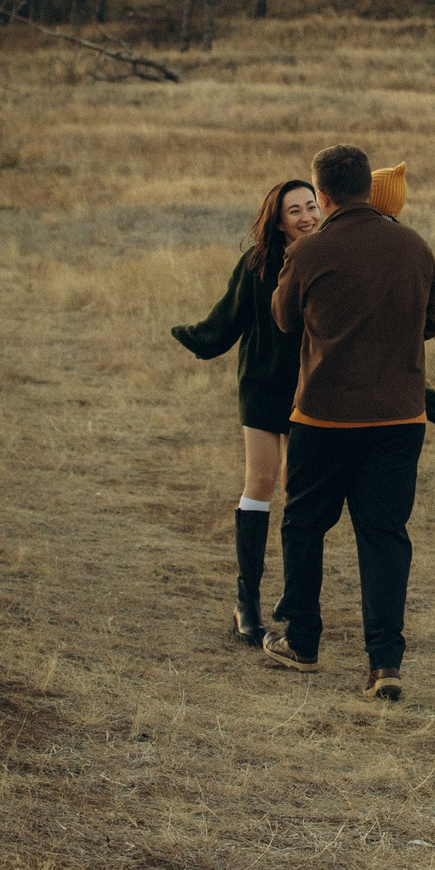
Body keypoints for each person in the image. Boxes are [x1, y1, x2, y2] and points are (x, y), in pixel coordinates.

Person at [265, 144, 435, 698]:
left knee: (303, 526)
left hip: (325, 417)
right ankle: (385, 664)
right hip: (399, 420)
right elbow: (433, 323)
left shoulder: (312, 252)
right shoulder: (415, 247)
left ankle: (303, 641)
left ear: (322, 194)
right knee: (385, 537)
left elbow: (284, 319)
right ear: (368, 186)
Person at [171, 179, 320, 645]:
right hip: (260, 386)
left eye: (311, 206)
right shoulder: (256, 265)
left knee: (300, 492)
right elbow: (227, 319)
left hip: (311, 392)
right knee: (259, 483)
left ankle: (296, 600)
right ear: (277, 220)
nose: (305, 217)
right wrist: (194, 337)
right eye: (293, 210)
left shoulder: (330, 260)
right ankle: (247, 602)